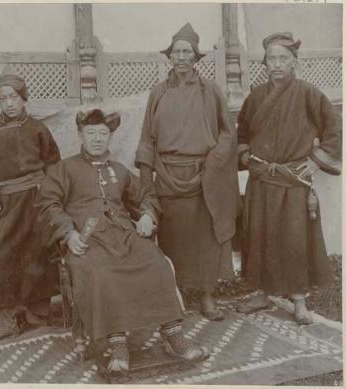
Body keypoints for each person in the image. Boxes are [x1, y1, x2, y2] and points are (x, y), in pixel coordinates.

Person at [36, 108, 209, 375]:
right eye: (91, 133)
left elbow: (146, 196)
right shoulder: (64, 169)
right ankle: (117, 343)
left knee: (157, 263)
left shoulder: (120, 170)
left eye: (102, 134)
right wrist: (68, 235)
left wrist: (148, 216)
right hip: (86, 240)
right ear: (80, 136)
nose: (97, 139)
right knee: (100, 273)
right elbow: (48, 204)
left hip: (124, 236)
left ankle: (173, 333)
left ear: (110, 138)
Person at [135, 23, 239, 321]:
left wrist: (212, 165)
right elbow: (146, 139)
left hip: (204, 175)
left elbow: (228, 135)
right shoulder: (157, 93)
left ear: (196, 57)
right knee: (174, 238)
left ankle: (207, 296)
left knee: (205, 239)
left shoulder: (211, 91)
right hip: (168, 175)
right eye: (176, 51)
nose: (181, 57)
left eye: (187, 52)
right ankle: (177, 296)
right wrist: (147, 178)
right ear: (170, 56)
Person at [236, 32, 342, 324]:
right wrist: (245, 155)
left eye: (283, 58)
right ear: (265, 63)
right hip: (262, 180)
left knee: (294, 240)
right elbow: (242, 131)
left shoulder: (309, 93)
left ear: (295, 62)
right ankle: (263, 293)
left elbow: (334, 127)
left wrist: (317, 162)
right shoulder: (256, 96)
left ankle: (298, 301)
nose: (277, 64)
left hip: (293, 180)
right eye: (272, 59)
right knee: (259, 238)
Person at [0, 71, 61, 343]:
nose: (9, 103)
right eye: (3, 98)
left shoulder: (38, 129)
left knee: (37, 255)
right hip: (7, 200)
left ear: (24, 99)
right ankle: (3, 324)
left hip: (37, 197)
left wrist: (51, 195)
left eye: (13, 97)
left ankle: (38, 318)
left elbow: (53, 165)